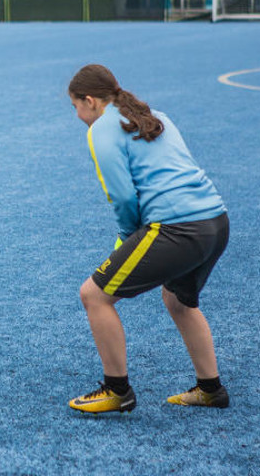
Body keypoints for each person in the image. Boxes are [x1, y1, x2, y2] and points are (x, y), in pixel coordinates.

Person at [66, 65, 230, 414]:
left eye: (76, 106)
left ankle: (117, 390)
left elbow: (123, 197)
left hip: (178, 228)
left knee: (94, 296)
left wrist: (127, 239)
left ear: (90, 101)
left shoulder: (100, 130)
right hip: (215, 220)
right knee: (178, 301)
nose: (77, 115)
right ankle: (210, 389)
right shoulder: (157, 116)